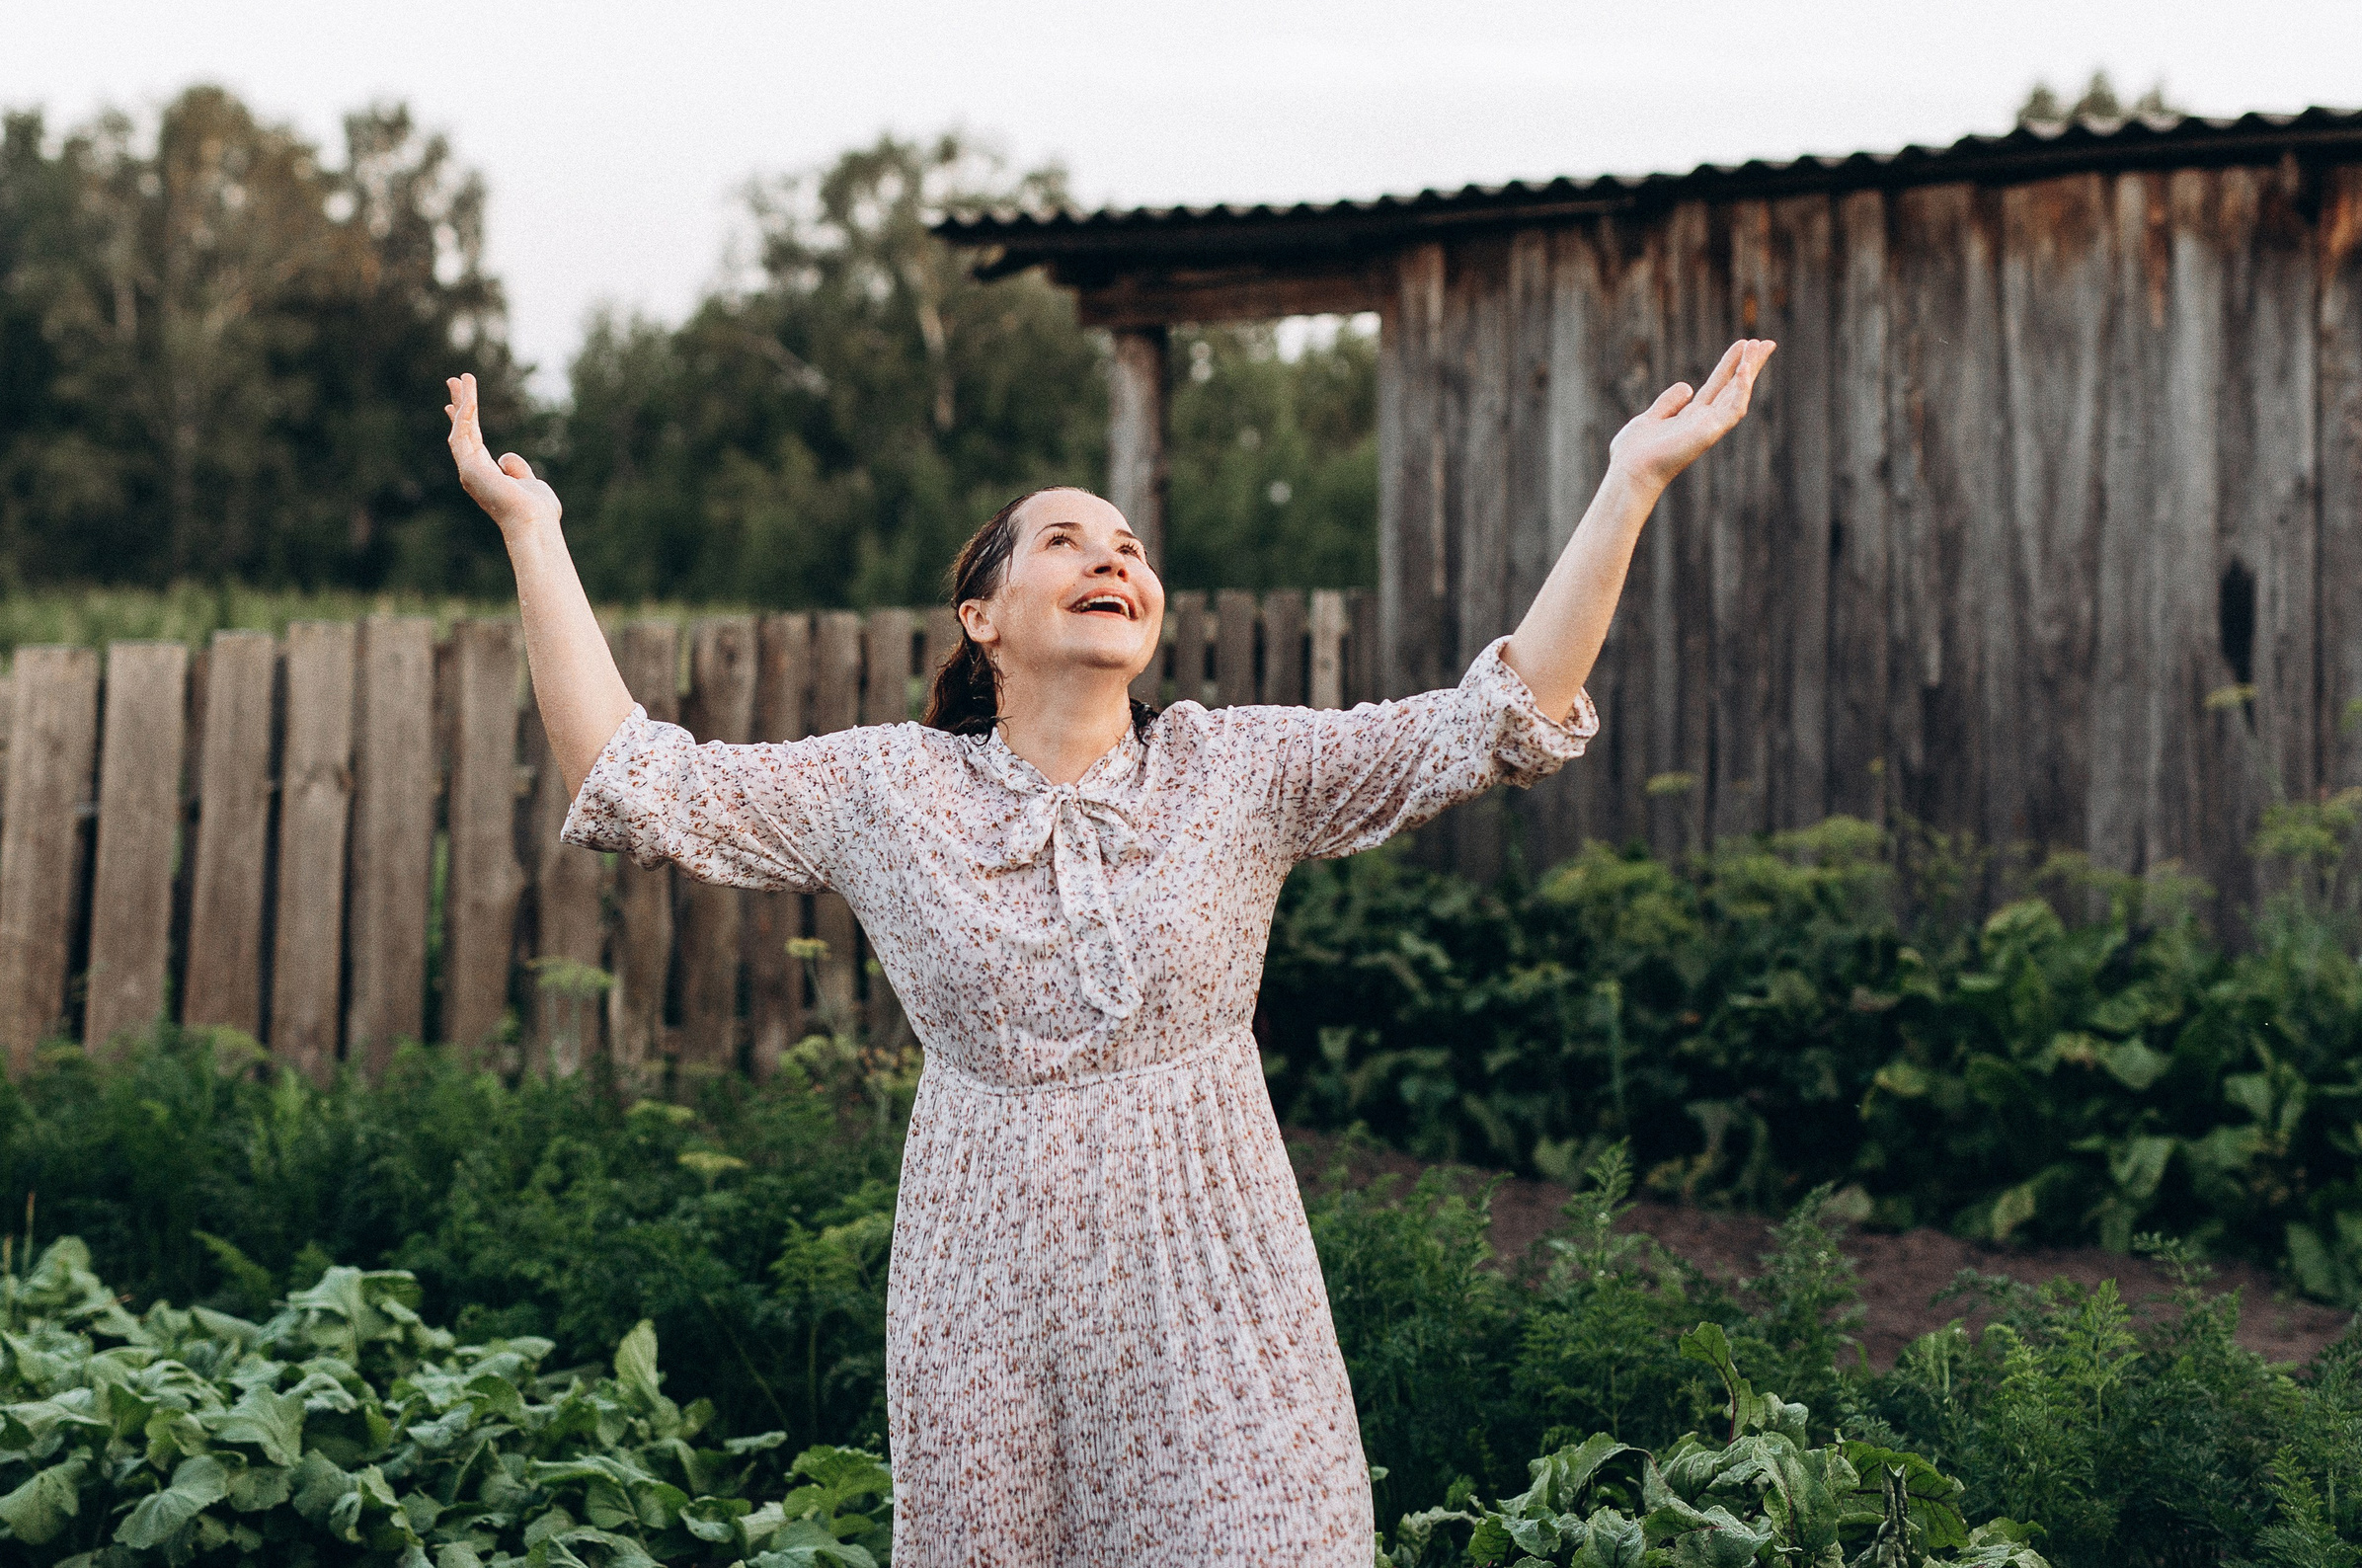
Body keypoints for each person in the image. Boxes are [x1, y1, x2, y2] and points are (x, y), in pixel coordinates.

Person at [440, 335, 1774, 1567]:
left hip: (1215, 1267)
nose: (1113, 560)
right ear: (984, 616)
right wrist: (534, 529)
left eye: (1129, 548)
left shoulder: (1237, 768)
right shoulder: (887, 792)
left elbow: (1502, 717)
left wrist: (1629, 484)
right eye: (1067, 541)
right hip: (987, 1289)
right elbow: (632, 778)